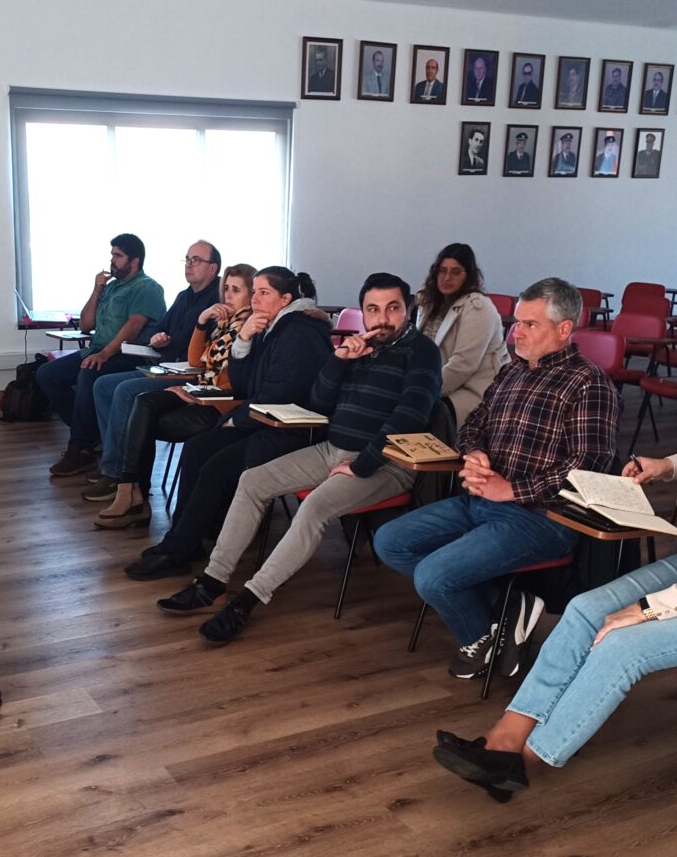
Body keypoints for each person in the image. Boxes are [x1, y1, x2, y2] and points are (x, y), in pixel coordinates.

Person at [432, 348, 677, 803]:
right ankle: (504, 737)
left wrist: (647, 610)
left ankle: (525, 760)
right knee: (586, 609)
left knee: (626, 644)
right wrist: (668, 466)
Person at [156, 273, 442, 647]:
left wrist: (361, 465)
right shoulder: (360, 348)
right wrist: (339, 361)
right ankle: (212, 582)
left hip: (386, 462)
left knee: (314, 508)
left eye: (393, 308)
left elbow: (410, 417)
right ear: (363, 312)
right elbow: (320, 402)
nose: (383, 318)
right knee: (252, 481)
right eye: (373, 309)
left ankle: (248, 600)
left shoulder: (422, 352)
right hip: (333, 450)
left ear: (408, 310)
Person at [374, 278, 619, 681]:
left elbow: (588, 467)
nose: (515, 332)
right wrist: (474, 453)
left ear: (564, 329)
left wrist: (512, 490)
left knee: (433, 576)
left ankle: (478, 636)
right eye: (516, 322)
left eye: (529, 324)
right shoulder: (511, 372)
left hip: (542, 518)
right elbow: (474, 424)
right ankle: (505, 610)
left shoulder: (588, 383)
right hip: (483, 501)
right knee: (390, 541)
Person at [124, 268, 332, 581]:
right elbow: (244, 384)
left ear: (286, 299)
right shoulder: (271, 326)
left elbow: (278, 396)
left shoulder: (298, 333)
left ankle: (179, 548)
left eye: (264, 293)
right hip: (266, 420)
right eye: (255, 291)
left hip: (294, 430)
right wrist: (244, 339)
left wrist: (235, 420)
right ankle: (183, 542)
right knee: (197, 448)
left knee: (216, 466)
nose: (255, 299)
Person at [89, 264, 254, 527]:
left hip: (219, 401)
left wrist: (197, 394)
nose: (229, 295)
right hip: (201, 387)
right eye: (226, 288)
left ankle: (134, 497)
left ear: (252, 294)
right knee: (143, 402)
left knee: (139, 407)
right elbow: (196, 361)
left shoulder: (249, 327)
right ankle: (128, 488)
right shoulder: (224, 323)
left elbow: (237, 381)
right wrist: (202, 321)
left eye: (237, 290)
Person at [83, 240, 222, 498]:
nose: (189, 265)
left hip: (191, 376)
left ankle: (118, 475)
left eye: (196, 260)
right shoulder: (184, 296)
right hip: (166, 366)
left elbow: (207, 351)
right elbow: (161, 330)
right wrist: (159, 338)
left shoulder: (218, 302)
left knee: (125, 390)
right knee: (102, 385)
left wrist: (168, 343)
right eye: (187, 259)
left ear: (213, 268)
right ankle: (112, 461)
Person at [37, 233, 166, 477]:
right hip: (98, 349)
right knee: (47, 374)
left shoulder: (147, 287)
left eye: (118, 255)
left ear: (135, 261)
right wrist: (97, 290)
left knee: (89, 371)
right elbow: (86, 325)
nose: (112, 260)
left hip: (130, 353)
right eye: (112, 255)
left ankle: (80, 448)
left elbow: (134, 326)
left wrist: (105, 354)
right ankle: (91, 432)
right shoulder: (112, 286)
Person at [415, 244, 508, 423]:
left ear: (468, 275)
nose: (447, 278)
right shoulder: (428, 302)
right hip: (438, 384)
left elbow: (463, 364)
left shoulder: (478, 306)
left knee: (423, 414)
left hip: (475, 390)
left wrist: (425, 392)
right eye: (442, 271)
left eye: (456, 272)